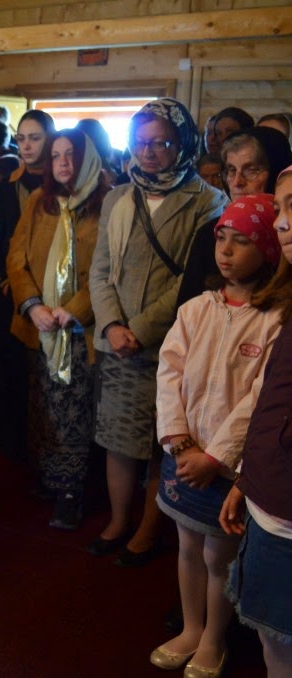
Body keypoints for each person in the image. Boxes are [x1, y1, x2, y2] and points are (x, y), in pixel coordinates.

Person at [89, 98, 227, 566]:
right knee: (118, 439)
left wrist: (140, 329)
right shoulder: (118, 196)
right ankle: (117, 520)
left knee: (160, 444)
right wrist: (112, 324)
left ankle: (147, 531)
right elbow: (100, 269)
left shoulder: (207, 201)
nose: (148, 153)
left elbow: (191, 280)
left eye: (161, 143)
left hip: (171, 345)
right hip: (117, 344)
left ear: (182, 143)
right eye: (140, 143)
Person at [150, 194, 282, 677]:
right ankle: (191, 627)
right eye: (221, 238)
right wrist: (180, 441)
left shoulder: (274, 320)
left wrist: (215, 457)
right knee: (187, 547)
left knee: (218, 556)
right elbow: (169, 373)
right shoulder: (196, 309)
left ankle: (213, 638)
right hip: (184, 455)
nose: (225, 250)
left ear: (266, 251)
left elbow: (259, 400)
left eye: (240, 241)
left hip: (225, 468)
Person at [6, 130, 111, 529]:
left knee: (75, 412)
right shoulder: (39, 201)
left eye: (71, 155)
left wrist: (76, 310)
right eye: (56, 156)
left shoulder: (109, 203)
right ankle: (49, 477)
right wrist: (32, 305)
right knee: (43, 407)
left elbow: (110, 268)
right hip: (41, 326)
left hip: (83, 333)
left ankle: (72, 491)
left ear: (88, 159)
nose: (63, 163)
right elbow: (16, 258)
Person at [221, 164, 292, 678]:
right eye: (282, 208)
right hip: (271, 495)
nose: (283, 222)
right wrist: (248, 476)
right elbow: (273, 402)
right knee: (274, 642)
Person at [0, 109, 55, 460]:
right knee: (4, 367)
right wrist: (8, 280)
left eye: (35, 138)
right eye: (21, 139)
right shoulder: (8, 186)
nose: (27, 146)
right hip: (8, 290)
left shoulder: (61, 184)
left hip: (52, 290)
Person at [178, 126, 292, 307]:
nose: (237, 182)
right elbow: (187, 306)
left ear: (276, 169)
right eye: (231, 170)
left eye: (251, 170)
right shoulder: (211, 233)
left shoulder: (286, 232)